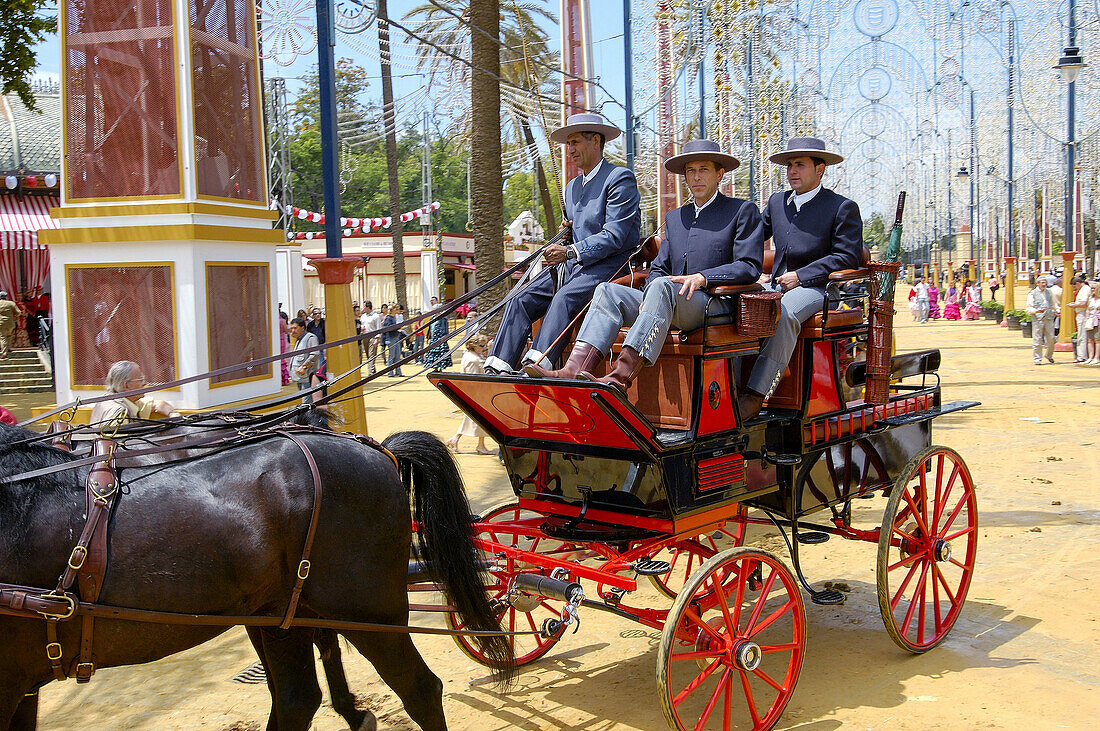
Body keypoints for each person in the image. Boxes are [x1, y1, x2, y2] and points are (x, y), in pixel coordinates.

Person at [526, 139, 763, 388]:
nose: (696, 177)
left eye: (703, 169)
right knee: (607, 291)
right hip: (668, 299)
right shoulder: (675, 218)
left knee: (661, 287)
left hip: (711, 303)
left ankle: (619, 378)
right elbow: (659, 267)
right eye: (690, 171)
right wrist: (649, 293)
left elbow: (749, 266)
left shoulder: (741, 210)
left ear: (719, 174)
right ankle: (574, 369)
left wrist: (702, 277)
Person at [484, 112, 641, 374]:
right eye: (569, 144)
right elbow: (576, 228)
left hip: (609, 269)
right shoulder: (571, 188)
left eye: (576, 142)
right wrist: (566, 235)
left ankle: (537, 365)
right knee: (520, 298)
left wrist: (570, 251)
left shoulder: (619, 178)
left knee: (563, 298)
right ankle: (498, 365)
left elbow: (615, 236)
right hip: (574, 268)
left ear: (596, 142)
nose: (570, 150)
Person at [738, 137, 864, 420]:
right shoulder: (777, 203)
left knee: (782, 313)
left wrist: (801, 276)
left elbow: (847, 257)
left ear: (820, 169)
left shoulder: (841, 207)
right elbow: (751, 237)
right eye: (789, 165)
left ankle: (757, 394)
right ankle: (729, 387)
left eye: (800, 165)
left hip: (819, 289)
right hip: (776, 284)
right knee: (733, 305)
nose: (792, 171)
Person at [88, 360, 180, 428]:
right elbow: (118, 450)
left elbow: (159, 405)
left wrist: (173, 414)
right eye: (140, 380)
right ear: (126, 385)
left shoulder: (122, 400)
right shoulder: (120, 413)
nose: (144, 383)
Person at [447, 335, 494, 454]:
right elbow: (473, 380)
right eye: (481, 346)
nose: (483, 348)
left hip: (477, 394)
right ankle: (479, 445)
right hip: (476, 394)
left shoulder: (472, 356)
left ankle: (472, 443)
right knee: (479, 419)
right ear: (474, 346)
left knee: (474, 419)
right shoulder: (472, 359)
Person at [288, 317, 321, 402]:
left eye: (295, 328)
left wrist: (304, 366)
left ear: (302, 328)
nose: (292, 331)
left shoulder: (310, 338)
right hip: (300, 377)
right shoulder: (299, 339)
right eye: (291, 328)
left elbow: (315, 354)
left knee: (306, 402)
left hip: (307, 377)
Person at [1026, 276, 1056, 365]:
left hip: (1049, 318)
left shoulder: (1049, 292)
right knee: (1037, 339)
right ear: (1037, 283)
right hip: (1038, 319)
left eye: (1045, 282)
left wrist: (1057, 310)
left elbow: (1053, 304)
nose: (1044, 284)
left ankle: (1049, 355)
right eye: (1042, 283)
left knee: (1051, 338)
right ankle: (1037, 358)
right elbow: (1028, 307)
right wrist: (1036, 311)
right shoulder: (1032, 293)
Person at [424, 296, 454, 372]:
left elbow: (445, 329)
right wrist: (428, 338)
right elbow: (430, 328)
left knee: (441, 353)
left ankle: (440, 367)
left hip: (440, 339)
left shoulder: (443, 318)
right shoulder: (432, 318)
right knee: (432, 353)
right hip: (433, 339)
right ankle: (435, 367)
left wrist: (445, 337)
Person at [1069, 275, 1092, 362]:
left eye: (1074, 286)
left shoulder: (1085, 289)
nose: (1074, 288)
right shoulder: (1083, 289)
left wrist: (1074, 305)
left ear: (1078, 283)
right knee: (1081, 334)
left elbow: (1083, 303)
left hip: (1082, 313)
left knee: (1082, 335)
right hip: (1080, 312)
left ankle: (1082, 355)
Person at [359, 300, 383, 375]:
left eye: (364, 306)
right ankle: (373, 368)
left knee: (371, 354)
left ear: (368, 307)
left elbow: (379, 328)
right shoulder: (363, 316)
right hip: (364, 336)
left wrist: (377, 339)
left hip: (372, 337)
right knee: (367, 355)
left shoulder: (375, 316)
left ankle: (371, 371)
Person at [382, 304, 405, 377]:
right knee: (391, 356)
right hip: (390, 338)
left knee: (397, 355)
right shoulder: (388, 318)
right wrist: (398, 327)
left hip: (396, 337)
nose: (397, 311)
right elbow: (388, 328)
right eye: (396, 309)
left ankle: (398, 372)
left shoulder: (393, 318)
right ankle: (390, 372)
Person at [1081, 281, 1100, 365]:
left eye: (1094, 288)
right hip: (1090, 320)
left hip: (1098, 320)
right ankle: (1090, 357)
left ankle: (1097, 357)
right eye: (1091, 288)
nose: (1092, 290)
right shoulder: (1091, 298)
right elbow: (1088, 309)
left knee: (1097, 339)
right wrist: (1086, 320)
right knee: (1090, 339)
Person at [0, 291, 21, 360]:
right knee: (9, 335)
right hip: (10, 323)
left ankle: (4, 353)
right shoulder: (11, 303)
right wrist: (15, 317)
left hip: (1, 323)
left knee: (3, 337)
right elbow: (18, 312)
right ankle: (8, 348)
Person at [279, 311, 291, 385]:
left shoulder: (273, 321)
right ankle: (283, 378)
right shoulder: (282, 321)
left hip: (275, 340)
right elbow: (286, 331)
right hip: (282, 340)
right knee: (282, 358)